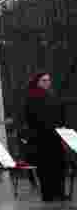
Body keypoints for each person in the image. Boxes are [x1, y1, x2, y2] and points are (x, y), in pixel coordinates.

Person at [23, 72, 66, 201]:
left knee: (59, 165)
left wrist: (61, 126)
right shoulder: (32, 97)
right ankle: (48, 194)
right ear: (38, 82)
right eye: (44, 80)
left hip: (56, 137)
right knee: (46, 167)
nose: (47, 82)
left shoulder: (52, 96)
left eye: (48, 80)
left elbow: (59, 113)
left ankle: (59, 192)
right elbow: (33, 118)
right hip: (41, 139)